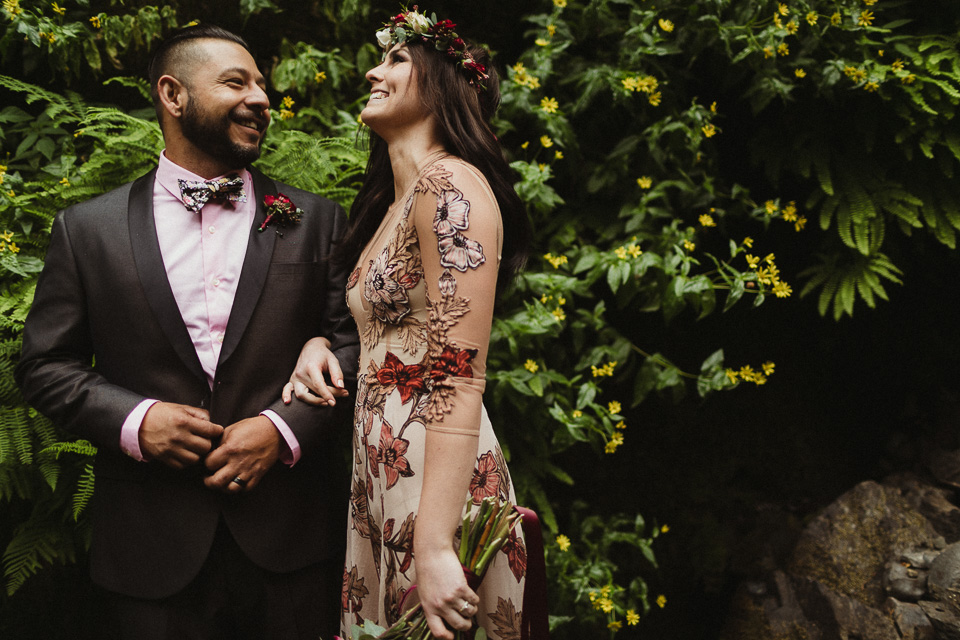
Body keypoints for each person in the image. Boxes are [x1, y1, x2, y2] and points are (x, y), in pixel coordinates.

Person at [15, 24, 359, 640]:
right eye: (236, 82)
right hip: (149, 552)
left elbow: (356, 346)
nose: (261, 99)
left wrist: (282, 429)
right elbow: (44, 364)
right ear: (173, 95)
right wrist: (137, 420)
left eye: (262, 85)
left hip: (292, 545)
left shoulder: (318, 220)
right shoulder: (87, 231)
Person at [285, 8, 533, 639]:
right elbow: (385, 332)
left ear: (444, 84)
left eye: (397, 59)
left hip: (433, 482)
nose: (374, 71)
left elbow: (458, 372)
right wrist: (319, 344)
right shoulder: (395, 203)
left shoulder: (450, 186)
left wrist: (436, 543)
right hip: (380, 471)